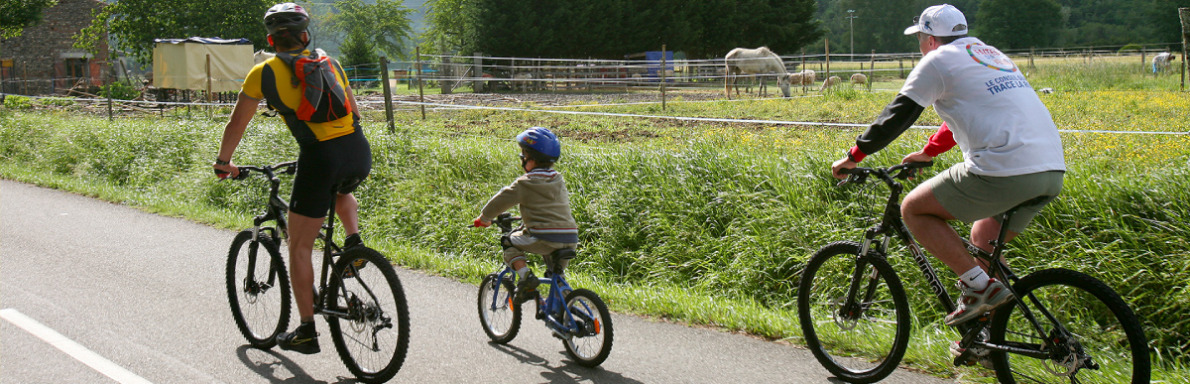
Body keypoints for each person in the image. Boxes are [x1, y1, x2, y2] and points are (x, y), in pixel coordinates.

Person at [830, 4, 1066, 329]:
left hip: (1003, 169)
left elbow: (898, 114)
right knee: (983, 237)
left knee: (913, 209)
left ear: (929, 39)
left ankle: (977, 287)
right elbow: (969, 111)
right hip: (1050, 171)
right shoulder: (988, 53)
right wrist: (929, 152)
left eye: (921, 38)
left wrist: (854, 155)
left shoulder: (937, 61)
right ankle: (987, 341)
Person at [213, 2, 371, 355]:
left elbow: (237, 123)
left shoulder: (263, 72)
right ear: (304, 35)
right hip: (358, 150)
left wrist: (224, 161)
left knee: (299, 248)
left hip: (319, 156)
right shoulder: (331, 62)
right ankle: (354, 244)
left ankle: (306, 331)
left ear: (270, 39)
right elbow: (354, 111)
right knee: (339, 187)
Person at [473, 127, 579, 303]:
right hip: (570, 237)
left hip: (545, 238)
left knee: (508, 242)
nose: (522, 158)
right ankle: (566, 313)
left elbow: (501, 200)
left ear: (532, 158)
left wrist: (484, 218)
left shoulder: (525, 183)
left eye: (523, 154)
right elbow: (547, 210)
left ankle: (526, 277)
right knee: (556, 276)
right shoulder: (557, 179)